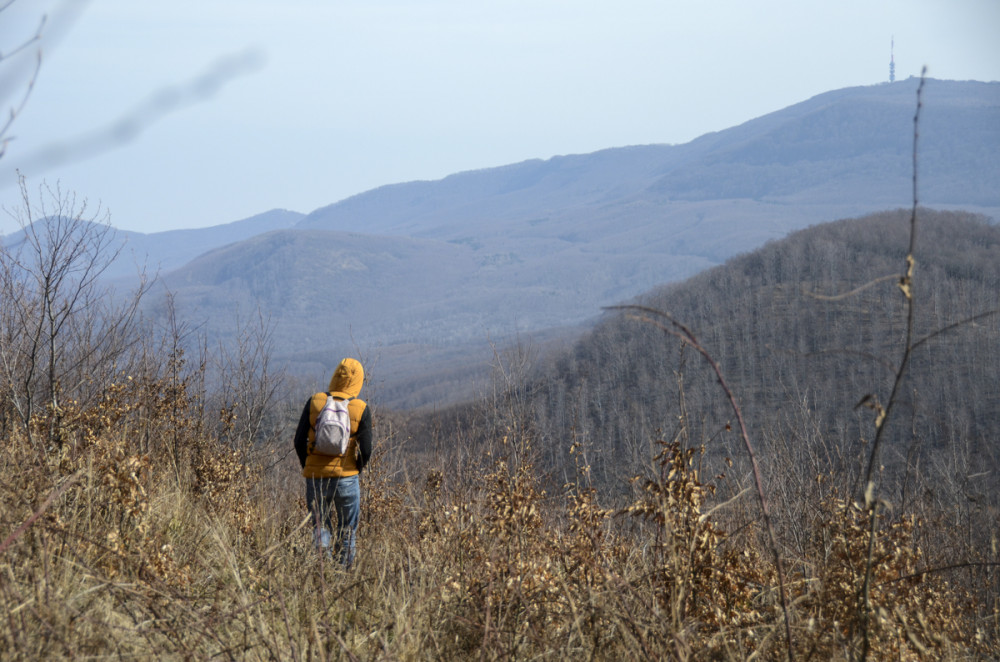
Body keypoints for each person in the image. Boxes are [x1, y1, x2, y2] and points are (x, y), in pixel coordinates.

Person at [293, 358, 373, 567]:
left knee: (321, 530)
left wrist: (308, 467)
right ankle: (343, 579)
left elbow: (298, 441)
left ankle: (324, 578)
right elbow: (366, 450)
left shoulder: (315, 402)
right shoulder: (360, 408)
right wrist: (356, 469)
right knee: (347, 533)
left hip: (316, 478)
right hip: (346, 479)